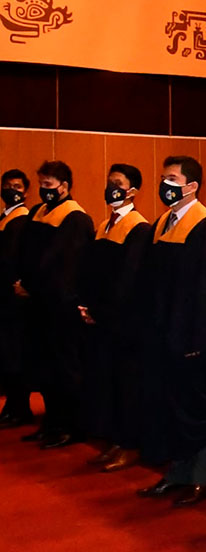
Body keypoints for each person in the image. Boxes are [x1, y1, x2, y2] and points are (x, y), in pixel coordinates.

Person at [135, 156, 206, 506]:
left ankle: (202, 477)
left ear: (192, 185)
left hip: (192, 339)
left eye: (173, 178)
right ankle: (176, 472)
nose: (166, 184)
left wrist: (199, 338)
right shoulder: (163, 223)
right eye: (163, 177)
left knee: (197, 407)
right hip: (162, 335)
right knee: (170, 405)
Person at [77, 163, 151, 472]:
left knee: (127, 385)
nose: (112, 188)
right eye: (109, 182)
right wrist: (87, 306)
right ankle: (114, 440)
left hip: (124, 323)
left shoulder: (139, 228)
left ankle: (130, 444)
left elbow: (129, 279)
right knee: (107, 382)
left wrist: (104, 312)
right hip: (102, 321)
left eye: (118, 183)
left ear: (133, 189)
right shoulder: (104, 225)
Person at [17, 160, 94, 449]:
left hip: (60, 306)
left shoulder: (75, 218)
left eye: (49, 185)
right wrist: (22, 282)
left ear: (64, 186)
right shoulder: (39, 212)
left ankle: (71, 426)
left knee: (65, 368)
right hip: (37, 303)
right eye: (41, 184)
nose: (43, 190)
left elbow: (64, 264)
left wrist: (35, 285)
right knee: (44, 366)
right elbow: (25, 251)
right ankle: (50, 422)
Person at [0, 169, 32, 428]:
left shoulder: (22, 219)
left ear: (26, 191)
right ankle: (12, 405)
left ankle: (19, 407)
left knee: (15, 354)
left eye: (17, 186)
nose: (12, 190)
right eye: (8, 185)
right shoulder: (5, 217)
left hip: (14, 298)